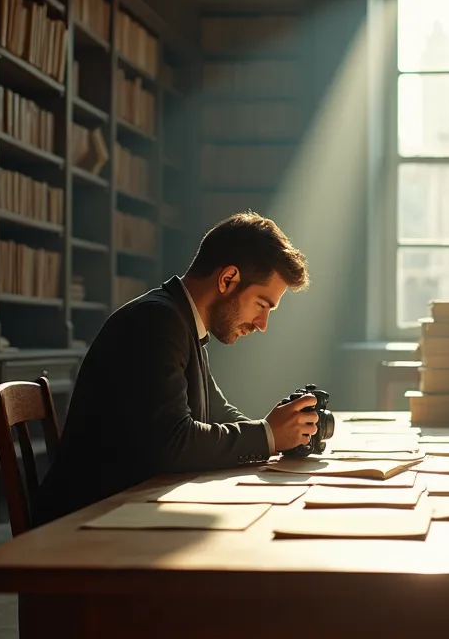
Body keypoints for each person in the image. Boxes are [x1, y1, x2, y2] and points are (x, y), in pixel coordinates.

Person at [35, 211, 317, 527]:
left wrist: (277, 433)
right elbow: (172, 442)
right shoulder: (156, 322)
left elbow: (214, 412)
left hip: (127, 509)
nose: (263, 324)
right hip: (85, 523)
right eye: (262, 305)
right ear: (227, 279)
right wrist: (267, 435)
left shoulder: (182, 321)